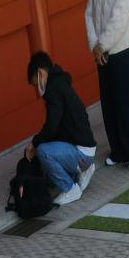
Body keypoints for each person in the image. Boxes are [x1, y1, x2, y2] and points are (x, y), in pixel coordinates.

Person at [25, 50, 97, 206]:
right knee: (44, 146)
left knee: (43, 151)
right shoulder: (59, 83)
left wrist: (34, 143)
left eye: (36, 84)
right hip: (86, 149)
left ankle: (70, 189)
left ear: (40, 73)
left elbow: (52, 126)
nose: (37, 89)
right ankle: (84, 169)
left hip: (82, 155)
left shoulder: (53, 90)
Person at [85, 0, 129, 170]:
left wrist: (103, 44)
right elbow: (89, 14)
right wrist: (95, 45)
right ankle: (117, 151)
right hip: (100, 52)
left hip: (119, 49)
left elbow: (121, 12)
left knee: (123, 102)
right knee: (108, 103)